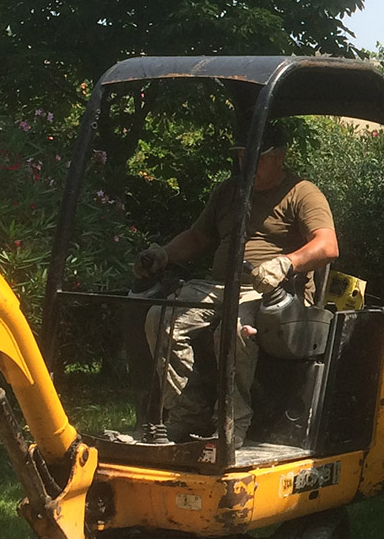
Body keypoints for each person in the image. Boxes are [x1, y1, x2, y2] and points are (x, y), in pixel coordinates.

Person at [133, 121, 337, 447]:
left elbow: (327, 245)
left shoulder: (302, 193)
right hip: (222, 286)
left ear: (280, 157)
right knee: (162, 319)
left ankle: (232, 425)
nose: (248, 164)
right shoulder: (228, 191)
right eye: (243, 156)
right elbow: (199, 236)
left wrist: (286, 263)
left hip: (276, 294)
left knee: (233, 329)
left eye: (258, 157)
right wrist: (163, 254)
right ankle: (188, 414)